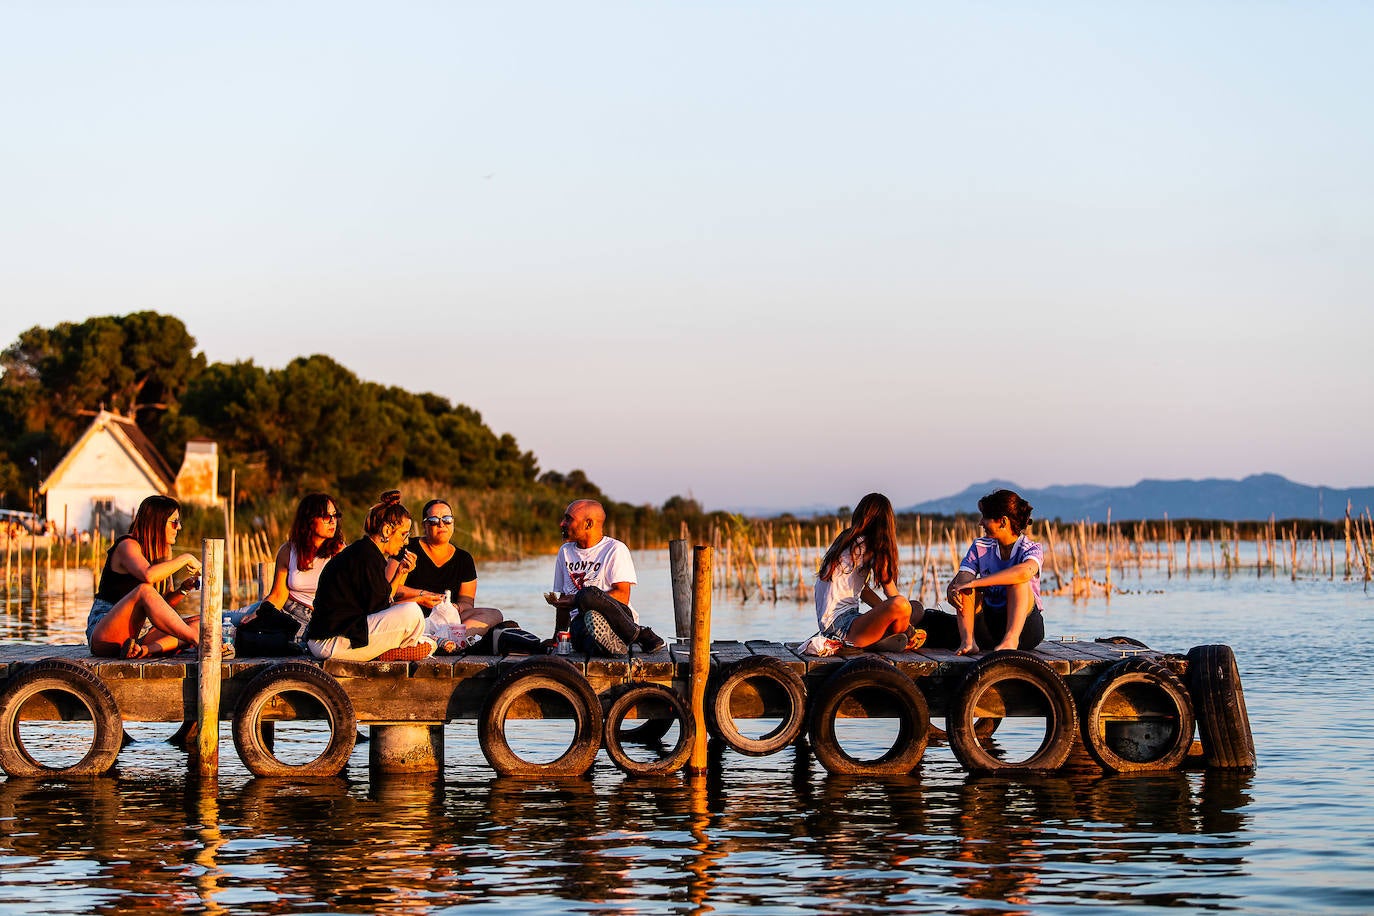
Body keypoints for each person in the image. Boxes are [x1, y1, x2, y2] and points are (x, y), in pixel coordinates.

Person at [389, 498, 538, 653]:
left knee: (494, 615)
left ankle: (447, 643)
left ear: (453, 523)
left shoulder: (463, 558)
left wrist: (455, 607)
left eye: (447, 519)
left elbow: (467, 601)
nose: (441, 524)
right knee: (407, 612)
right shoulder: (407, 548)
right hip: (412, 615)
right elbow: (388, 589)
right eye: (434, 520)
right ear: (424, 525)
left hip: (447, 620)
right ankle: (438, 641)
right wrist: (422, 595)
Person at [304, 490, 431, 662]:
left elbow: (384, 598)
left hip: (337, 636)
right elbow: (382, 607)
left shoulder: (367, 551)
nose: (406, 541)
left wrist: (401, 572)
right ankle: (393, 651)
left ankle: (396, 649)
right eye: (403, 534)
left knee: (422, 630)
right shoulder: (365, 556)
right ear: (387, 530)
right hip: (330, 642)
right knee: (412, 613)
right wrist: (416, 599)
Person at [924, 488, 1046, 655]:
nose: (981, 523)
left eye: (986, 518)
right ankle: (968, 641)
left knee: (1017, 582)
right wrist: (955, 589)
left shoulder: (1031, 548)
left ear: (1003, 521)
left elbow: (1024, 573)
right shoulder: (980, 546)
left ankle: (1010, 640)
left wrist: (976, 582)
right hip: (990, 626)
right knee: (965, 586)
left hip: (1025, 628)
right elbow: (963, 578)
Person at [86, 495, 203, 659]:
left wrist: (183, 590)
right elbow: (148, 576)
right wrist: (186, 558)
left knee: (202, 624)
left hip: (135, 636)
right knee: (144, 591)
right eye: (174, 522)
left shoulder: (162, 554)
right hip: (104, 633)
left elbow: (162, 605)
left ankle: (145, 651)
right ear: (157, 522)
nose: (179, 527)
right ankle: (199, 641)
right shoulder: (127, 545)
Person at [544, 499, 664, 654]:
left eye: (568, 519)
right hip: (583, 623)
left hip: (618, 620)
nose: (562, 524)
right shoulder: (565, 552)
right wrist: (556, 638)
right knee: (583, 636)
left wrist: (577, 599)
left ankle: (634, 634)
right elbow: (564, 602)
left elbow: (622, 596)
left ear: (588, 524)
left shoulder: (615, 549)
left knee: (587, 595)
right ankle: (611, 647)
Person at [235, 493, 345, 653]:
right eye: (326, 516)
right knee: (226, 620)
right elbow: (278, 595)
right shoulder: (288, 550)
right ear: (309, 519)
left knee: (239, 632)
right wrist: (259, 614)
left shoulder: (340, 553)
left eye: (335, 516)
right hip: (281, 609)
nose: (333, 521)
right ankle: (188, 635)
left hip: (310, 618)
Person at [813, 493, 923, 651]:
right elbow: (891, 592)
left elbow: (863, 590)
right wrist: (907, 627)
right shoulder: (872, 544)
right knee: (903, 605)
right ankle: (886, 638)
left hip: (838, 624)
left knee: (916, 608)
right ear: (886, 522)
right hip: (842, 629)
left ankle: (883, 638)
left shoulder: (847, 539)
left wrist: (886, 612)